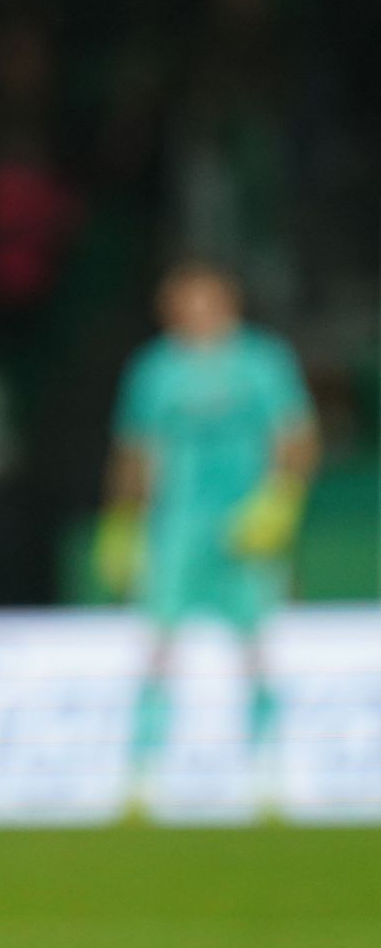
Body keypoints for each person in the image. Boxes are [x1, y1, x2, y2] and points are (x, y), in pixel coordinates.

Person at [96, 260, 318, 818]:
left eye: (203, 299)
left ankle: (269, 772)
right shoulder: (154, 370)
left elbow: (296, 436)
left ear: (228, 302)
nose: (192, 312)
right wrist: (123, 521)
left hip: (245, 527)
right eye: (181, 302)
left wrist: (280, 501)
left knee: (258, 649)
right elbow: (135, 450)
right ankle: (141, 777)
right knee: (157, 650)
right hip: (176, 527)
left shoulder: (263, 362)